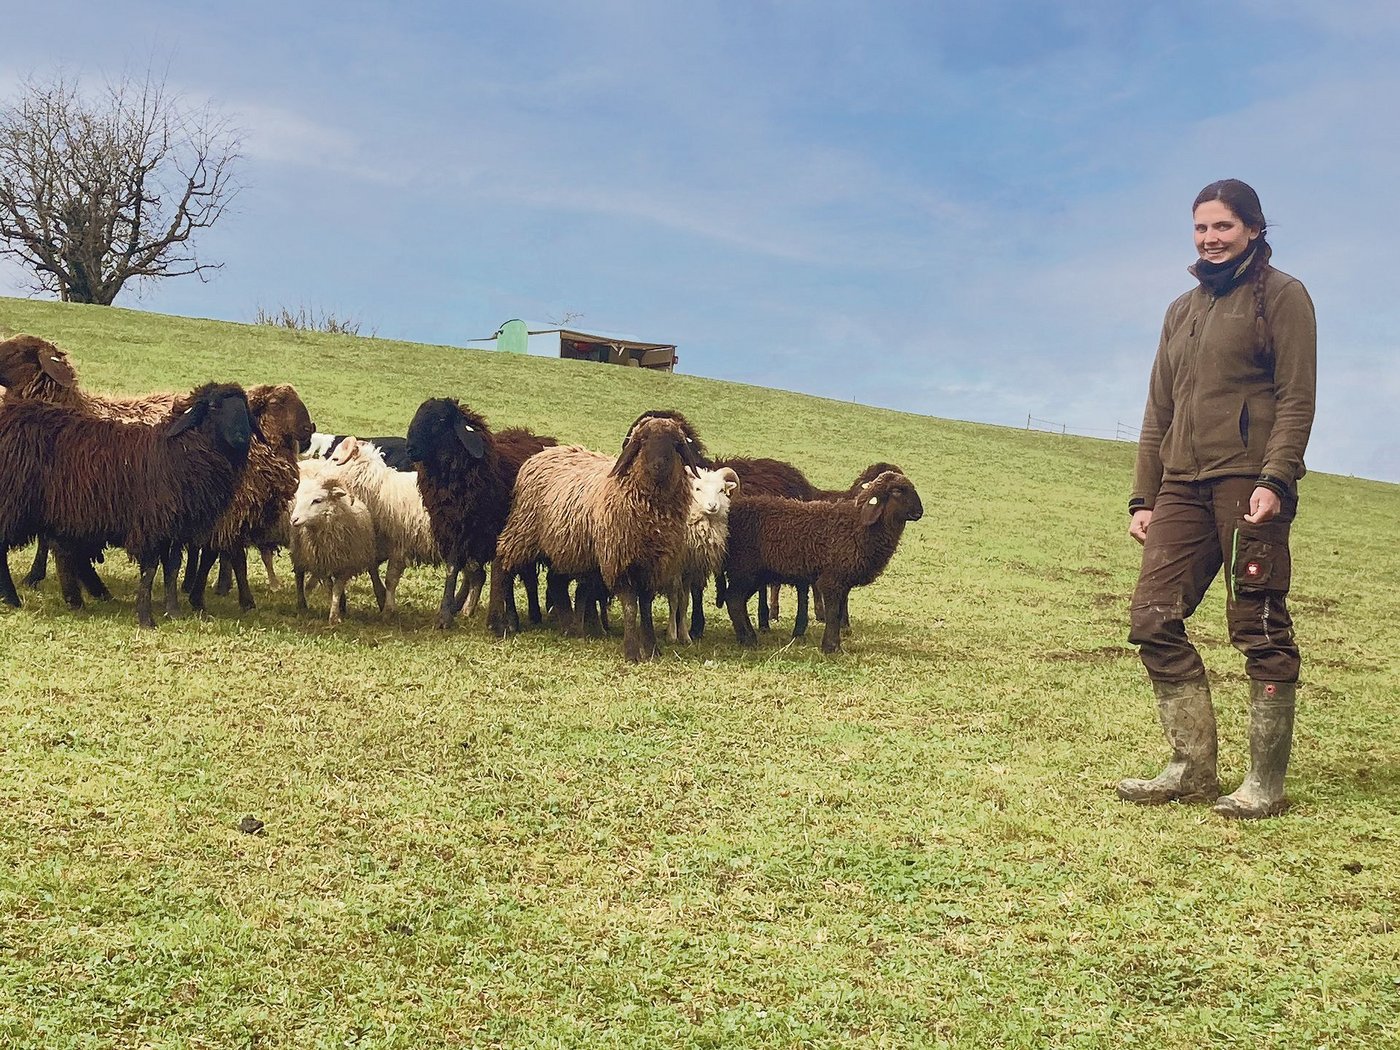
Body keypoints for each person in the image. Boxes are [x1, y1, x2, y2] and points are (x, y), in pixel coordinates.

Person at [1117, 179, 1316, 819]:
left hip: (1248, 481)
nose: (1210, 238)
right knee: (1152, 618)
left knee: (1258, 624)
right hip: (1180, 483)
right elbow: (1159, 409)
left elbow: (1296, 398)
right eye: (1201, 227)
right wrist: (1144, 496)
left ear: (1253, 229)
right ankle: (1192, 768)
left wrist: (1275, 478)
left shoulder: (1281, 295)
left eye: (1223, 226)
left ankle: (1265, 783)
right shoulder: (1182, 309)